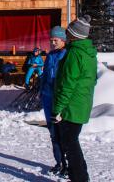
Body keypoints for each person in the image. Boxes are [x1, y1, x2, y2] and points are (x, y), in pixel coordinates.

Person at [52, 15, 96, 182]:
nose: (66, 35)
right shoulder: (88, 52)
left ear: (74, 35)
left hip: (71, 107)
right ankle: (79, 177)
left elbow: (67, 84)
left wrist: (58, 108)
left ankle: (80, 179)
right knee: (72, 143)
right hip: (81, 104)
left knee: (70, 145)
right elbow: (92, 80)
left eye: (68, 32)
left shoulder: (75, 54)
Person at [41, 26, 68, 177]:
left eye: (55, 40)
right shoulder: (50, 55)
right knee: (53, 133)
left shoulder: (66, 55)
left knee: (62, 134)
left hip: (59, 100)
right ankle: (59, 162)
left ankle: (67, 164)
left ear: (63, 40)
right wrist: (41, 91)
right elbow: (45, 75)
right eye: (51, 40)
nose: (52, 42)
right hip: (47, 98)